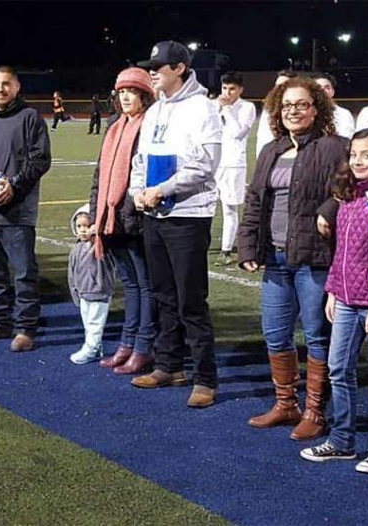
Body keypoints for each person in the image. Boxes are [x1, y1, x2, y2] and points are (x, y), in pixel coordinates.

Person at [238, 75, 348, 439]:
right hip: (276, 258)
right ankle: (286, 404)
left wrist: (329, 208)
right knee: (275, 335)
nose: (294, 111)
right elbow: (255, 199)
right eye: (287, 105)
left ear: (317, 107)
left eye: (302, 104)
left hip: (314, 259)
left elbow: (353, 185)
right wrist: (248, 245)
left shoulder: (334, 147)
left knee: (317, 336)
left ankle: (315, 412)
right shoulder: (272, 149)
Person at [299, 128, 368, 474]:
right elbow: (341, 251)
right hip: (345, 299)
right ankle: (342, 441)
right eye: (355, 154)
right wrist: (332, 289)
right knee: (338, 370)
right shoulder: (349, 195)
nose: (359, 161)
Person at [127, 41, 222, 409]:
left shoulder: (203, 108)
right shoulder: (155, 111)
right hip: (153, 213)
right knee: (164, 296)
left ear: (180, 68)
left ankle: (205, 379)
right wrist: (139, 191)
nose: (152, 71)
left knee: (191, 301)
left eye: (159, 66)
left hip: (187, 216)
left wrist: (161, 189)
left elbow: (204, 165)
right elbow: (141, 158)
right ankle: (169, 365)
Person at [0, 66, 52, 352]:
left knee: (24, 271)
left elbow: (40, 160)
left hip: (17, 211)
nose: (0, 89)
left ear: (17, 87)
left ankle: (26, 327)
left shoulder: (29, 118)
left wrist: (13, 186)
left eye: (6, 84)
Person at [89, 67, 158, 375]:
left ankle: (144, 346)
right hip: (111, 219)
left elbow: (144, 175)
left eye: (133, 91)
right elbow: (99, 175)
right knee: (130, 284)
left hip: (135, 219)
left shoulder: (150, 125)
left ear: (145, 95)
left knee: (145, 284)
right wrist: (96, 215)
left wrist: (128, 210)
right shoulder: (115, 127)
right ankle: (126, 343)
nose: (126, 96)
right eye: (121, 92)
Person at [213, 72, 257, 265]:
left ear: (240, 90)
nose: (227, 92)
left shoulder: (247, 107)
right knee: (205, 204)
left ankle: (226, 250)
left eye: (232, 89)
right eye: (224, 88)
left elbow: (238, 133)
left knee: (229, 208)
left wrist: (228, 110)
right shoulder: (215, 105)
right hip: (214, 162)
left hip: (233, 163)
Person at [67, 206, 116, 364]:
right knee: (88, 322)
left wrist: (97, 232)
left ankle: (91, 348)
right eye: (79, 226)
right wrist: (75, 291)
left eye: (87, 226)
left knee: (95, 322)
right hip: (83, 293)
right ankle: (95, 346)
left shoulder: (100, 246)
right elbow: (72, 272)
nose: (82, 230)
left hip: (99, 291)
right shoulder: (76, 249)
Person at [255, 70, 298, 153]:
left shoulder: (299, 110)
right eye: (276, 86)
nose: (278, 89)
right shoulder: (268, 109)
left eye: (282, 85)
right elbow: (262, 138)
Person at [312, 72, 355, 138]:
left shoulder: (343, 114)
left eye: (327, 88)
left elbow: (346, 139)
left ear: (332, 92)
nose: (323, 91)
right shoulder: (305, 112)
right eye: (318, 88)